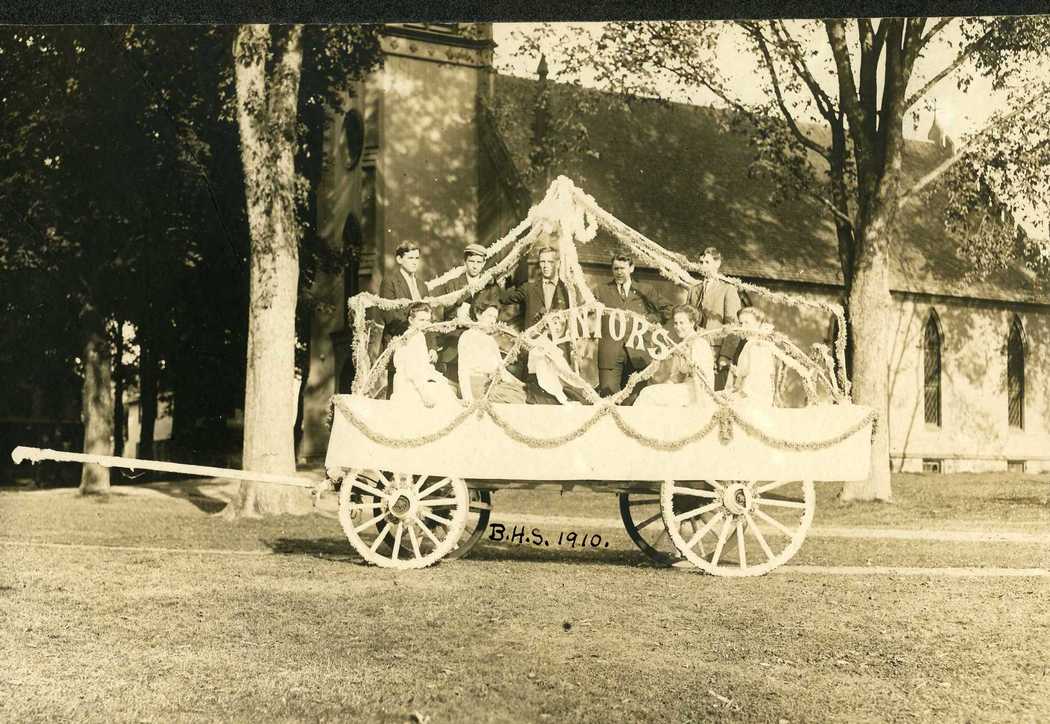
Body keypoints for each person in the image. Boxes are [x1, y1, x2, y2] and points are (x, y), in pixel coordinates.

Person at [592, 254, 672, 404]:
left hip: (638, 354)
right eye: (615, 268)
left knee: (635, 402)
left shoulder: (645, 290)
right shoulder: (600, 291)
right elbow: (584, 311)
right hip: (610, 355)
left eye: (622, 268)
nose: (619, 272)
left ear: (632, 268)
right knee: (608, 400)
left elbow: (667, 309)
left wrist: (648, 321)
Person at [437, 243, 502, 384]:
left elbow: (494, 315)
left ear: (484, 263)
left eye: (479, 262)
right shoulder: (452, 285)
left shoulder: (491, 286)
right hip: (455, 345)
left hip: (480, 347)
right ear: (465, 262)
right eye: (471, 261)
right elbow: (448, 316)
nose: (475, 266)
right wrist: (458, 316)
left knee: (478, 389)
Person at [378, 241, 435, 397]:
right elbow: (388, 314)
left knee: (422, 392)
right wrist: (413, 323)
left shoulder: (422, 285)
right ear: (399, 259)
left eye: (417, 258)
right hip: (400, 344)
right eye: (410, 258)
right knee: (399, 391)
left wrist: (432, 346)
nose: (414, 262)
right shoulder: (390, 281)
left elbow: (429, 318)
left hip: (421, 348)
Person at [686, 246, 742, 391]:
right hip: (695, 350)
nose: (703, 266)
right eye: (701, 262)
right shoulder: (694, 290)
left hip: (716, 352)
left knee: (714, 394)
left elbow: (733, 326)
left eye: (707, 262)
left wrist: (725, 355)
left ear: (717, 263)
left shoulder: (727, 290)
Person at [635, 305, 715, 407]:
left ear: (692, 323)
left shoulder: (699, 343)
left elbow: (703, 379)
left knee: (648, 394)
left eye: (682, 323)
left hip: (696, 393)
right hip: (685, 388)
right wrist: (665, 386)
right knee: (649, 391)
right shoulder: (682, 344)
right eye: (675, 323)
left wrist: (699, 406)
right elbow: (678, 376)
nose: (678, 327)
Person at [457, 300, 527, 404]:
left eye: (494, 317)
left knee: (520, 393)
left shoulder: (490, 340)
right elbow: (463, 368)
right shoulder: (467, 336)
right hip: (475, 384)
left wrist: (520, 384)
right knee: (514, 397)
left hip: (490, 383)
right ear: (479, 315)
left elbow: (501, 369)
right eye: (489, 316)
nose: (492, 320)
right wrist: (467, 396)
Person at [390, 302, 459, 407]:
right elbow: (412, 371)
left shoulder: (418, 335)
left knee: (450, 388)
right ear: (411, 320)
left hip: (415, 382)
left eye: (428, 320)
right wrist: (425, 394)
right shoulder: (411, 338)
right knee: (447, 397)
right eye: (421, 320)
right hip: (409, 387)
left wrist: (443, 380)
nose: (425, 324)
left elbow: (424, 368)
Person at [501, 246, 571, 331]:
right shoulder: (528, 288)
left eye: (550, 262)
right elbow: (503, 298)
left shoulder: (567, 290)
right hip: (533, 342)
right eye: (542, 262)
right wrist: (505, 272)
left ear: (558, 263)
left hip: (558, 342)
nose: (545, 266)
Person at [526, 313, 588, 405]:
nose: (559, 327)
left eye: (561, 324)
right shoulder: (541, 344)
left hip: (553, 385)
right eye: (555, 323)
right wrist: (563, 398)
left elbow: (564, 371)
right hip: (541, 386)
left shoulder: (551, 344)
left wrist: (582, 386)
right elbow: (545, 377)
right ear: (546, 325)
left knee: (582, 401)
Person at [731, 306, 778, 406]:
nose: (743, 327)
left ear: (758, 323)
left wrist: (736, 396)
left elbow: (755, 378)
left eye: (747, 323)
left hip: (753, 398)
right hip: (748, 393)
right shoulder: (750, 343)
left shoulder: (757, 346)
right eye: (741, 323)